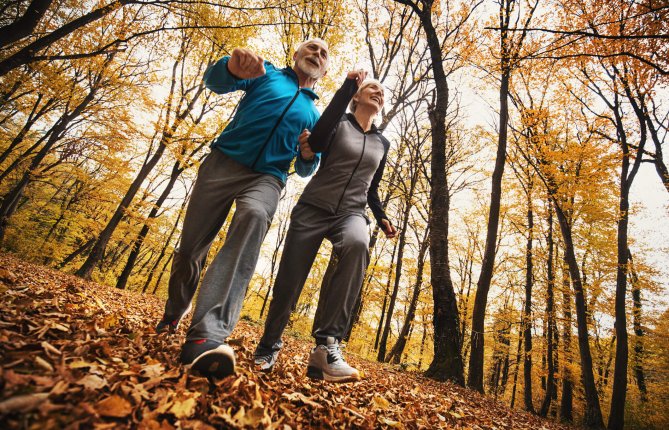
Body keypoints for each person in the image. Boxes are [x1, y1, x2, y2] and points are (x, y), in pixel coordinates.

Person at [155, 39, 330, 379]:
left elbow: (307, 167)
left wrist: (309, 155)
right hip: (223, 163)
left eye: (323, 54)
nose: (316, 54)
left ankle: (207, 334)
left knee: (253, 216)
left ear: (325, 71)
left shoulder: (315, 114)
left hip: (267, 178)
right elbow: (217, 82)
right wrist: (229, 68)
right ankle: (175, 311)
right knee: (190, 249)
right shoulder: (265, 76)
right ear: (295, 55)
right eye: (311, 48)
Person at [253, 71, 398, 382]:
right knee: (290, 282)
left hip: (352, 212)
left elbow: (372, 188)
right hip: (314, 207)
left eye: (382, 92)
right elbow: (316, 142)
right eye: (371, 87)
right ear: (357, 96)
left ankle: (327, 346)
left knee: (359, 245)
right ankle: (268, 346)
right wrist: (347, 87)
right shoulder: (340, 122)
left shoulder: (382, 143)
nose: (378, 93)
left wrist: (381, 214)